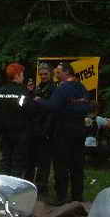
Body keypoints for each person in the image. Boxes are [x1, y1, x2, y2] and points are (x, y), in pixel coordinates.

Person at [36, 62, 92, 204]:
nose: (56, 75)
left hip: (63, 131)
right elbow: (86, 107)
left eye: (58, 73)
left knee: (61, 165)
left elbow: (53, 106)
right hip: (79, 130)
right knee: (77, 165)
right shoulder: (82, 87)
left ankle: (61, 197)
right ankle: (77, 197)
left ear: (67, 72)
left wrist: (39, 100)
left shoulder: (62, 88)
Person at [0, 63, 33, 178]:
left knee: (5, 158)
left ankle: (2, 183)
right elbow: (30, 110)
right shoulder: (22, 93)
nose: (23, 77)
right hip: (20, 132)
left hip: (3, 131)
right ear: (17, 75)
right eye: (22, 74)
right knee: (18, 161)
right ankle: (14, 185)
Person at [25, 63, 56, 195]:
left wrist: (46, 130)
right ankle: (28, 185)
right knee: (31, 159)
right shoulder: (37, 88)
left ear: (51, 74)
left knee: (44, 161)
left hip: (46, 129)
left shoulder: (54, 89)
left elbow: (52, 110)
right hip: (34, 127)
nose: (43, 76)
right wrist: (30, 92)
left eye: (45, 74)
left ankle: (42, 187)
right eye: (41, 74)